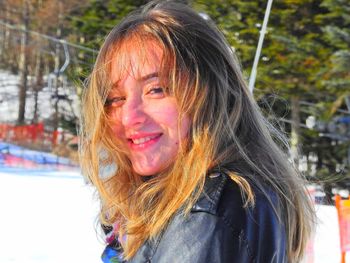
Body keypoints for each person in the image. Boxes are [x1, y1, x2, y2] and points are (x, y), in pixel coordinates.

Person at [80, 1, 315, 262]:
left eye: (156, 90)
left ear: (210, 92)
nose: (128, 117)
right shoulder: (205, 201)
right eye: (115, 99)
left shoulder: (204, 214)